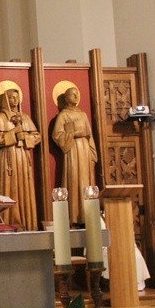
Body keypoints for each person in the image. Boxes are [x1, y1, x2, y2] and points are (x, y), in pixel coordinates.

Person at [0, 87, 41, 230]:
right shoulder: (0, 118)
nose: (14, 100)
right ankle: (10, 221)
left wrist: (25, 137)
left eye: (16, 97)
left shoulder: (25, 117)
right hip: (8, 157)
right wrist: (13, 134)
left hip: (23, 156)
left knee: (25, 188)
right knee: (10, 188)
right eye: (11, 97)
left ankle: (27, 221)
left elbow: (37, 136)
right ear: (5, 100)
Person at [52, 86, 97, 225]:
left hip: (84, 148)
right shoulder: (63, 115)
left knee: (86, 179)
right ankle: (75, 215)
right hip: (72, 149)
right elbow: (56, 134)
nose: (76, 97)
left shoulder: (83, 114)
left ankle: (87, 215)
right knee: (74, 178)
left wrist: (92, 152)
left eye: (77, 94)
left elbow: (89, 134)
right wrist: (73, 134)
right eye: (72, 94)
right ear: (66, 98)